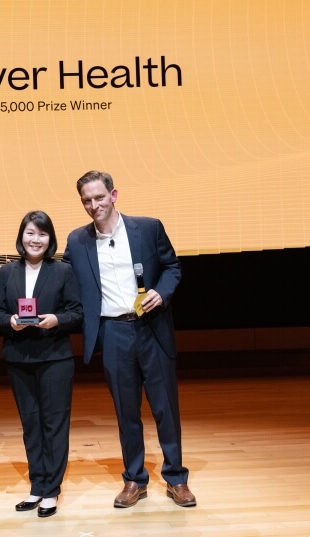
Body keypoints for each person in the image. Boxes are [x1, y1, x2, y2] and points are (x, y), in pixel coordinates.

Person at [62, 170, 196, 509]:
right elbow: (58, 277)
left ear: (114, 195)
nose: (94, 205)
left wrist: (161, 293)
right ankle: (134, 479)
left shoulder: (148, 228)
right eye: (87, 201)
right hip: (113, 332)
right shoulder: (77, 240)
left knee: (165, 407)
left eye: (99, 197)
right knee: (126, 412)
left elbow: (172, 267)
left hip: (151, 328)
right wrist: (7, 273)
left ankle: (177, 478)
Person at [0, 211, 83, 518]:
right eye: (30, 233)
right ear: (21, 237)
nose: (36, 239)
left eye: (42, 234)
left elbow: (77, 312)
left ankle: (51, 491)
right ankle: (37, 485)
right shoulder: (6, 273)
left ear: (50, 239)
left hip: (55, 357)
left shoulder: (63, 271)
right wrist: (10, 322)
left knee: (54, 424)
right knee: (30, 425)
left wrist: (56, 320)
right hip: (19, 358)